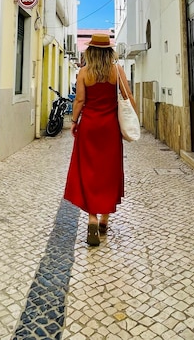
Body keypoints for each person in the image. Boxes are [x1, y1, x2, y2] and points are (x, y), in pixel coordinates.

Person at [63, 33, 137, 246]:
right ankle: (104, 218)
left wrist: (75, 121)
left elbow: (79, 100)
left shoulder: (84, 72)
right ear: (109, 51)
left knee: (88, 171)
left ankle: (92, 217)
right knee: (109, 171)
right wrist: (134, 120)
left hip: (89, 127)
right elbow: (128, 96)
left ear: (91, 51)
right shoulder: (117, 70)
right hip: (110, 128)